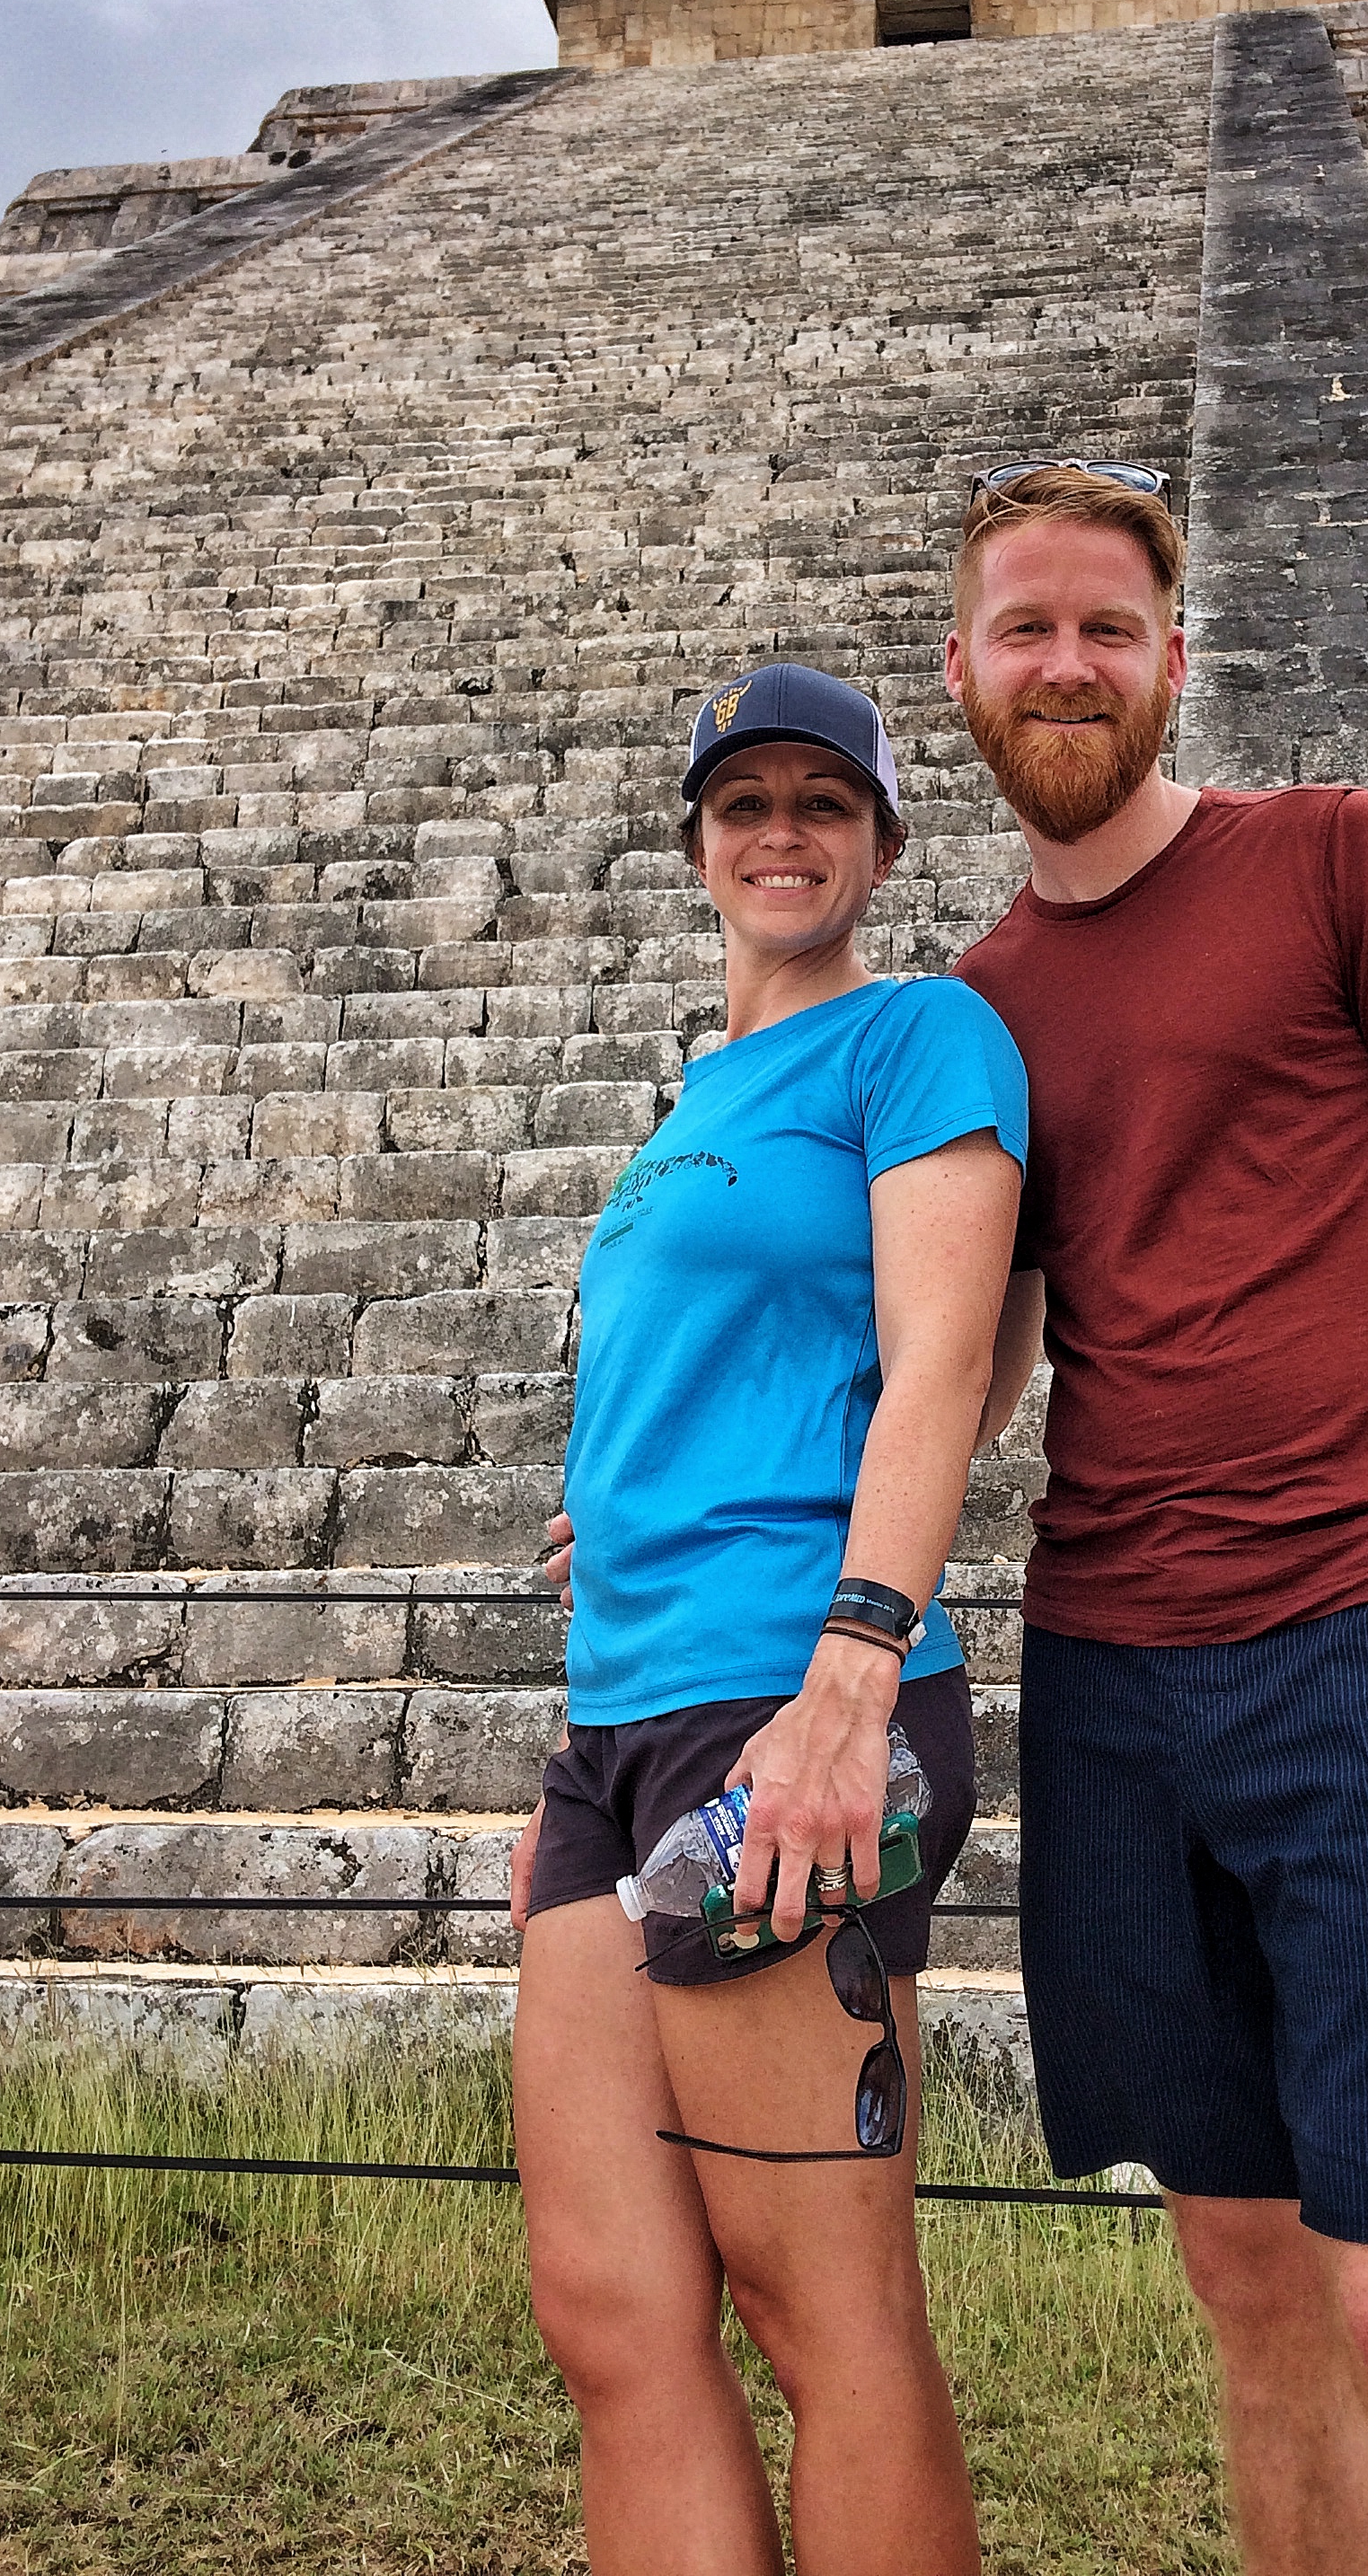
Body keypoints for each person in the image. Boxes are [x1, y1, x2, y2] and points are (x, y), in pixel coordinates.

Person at [944, 463, 1368, 2576]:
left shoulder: (1338, 857)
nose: (1067, 665)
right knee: (1247, 2290)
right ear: (965, 670)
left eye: (1109, 630)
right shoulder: (972, 1006)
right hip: (1111, 1677)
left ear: (1175, 659)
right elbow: (977, 1359)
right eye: (1026, 630)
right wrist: (715, 1512)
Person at [507, 662, 1027, 2576]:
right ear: (698, 842)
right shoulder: (692, 1105)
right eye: (746, 803)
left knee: (826, 2314)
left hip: (795, 1705)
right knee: (616, 2314)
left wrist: (851, 1672)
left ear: (884, 842)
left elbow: (947, 1362)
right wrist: (617, 1514)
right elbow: (713, 1367)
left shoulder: (920, 1038)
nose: (782, 831)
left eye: (826, 799)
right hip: (622, 1726)